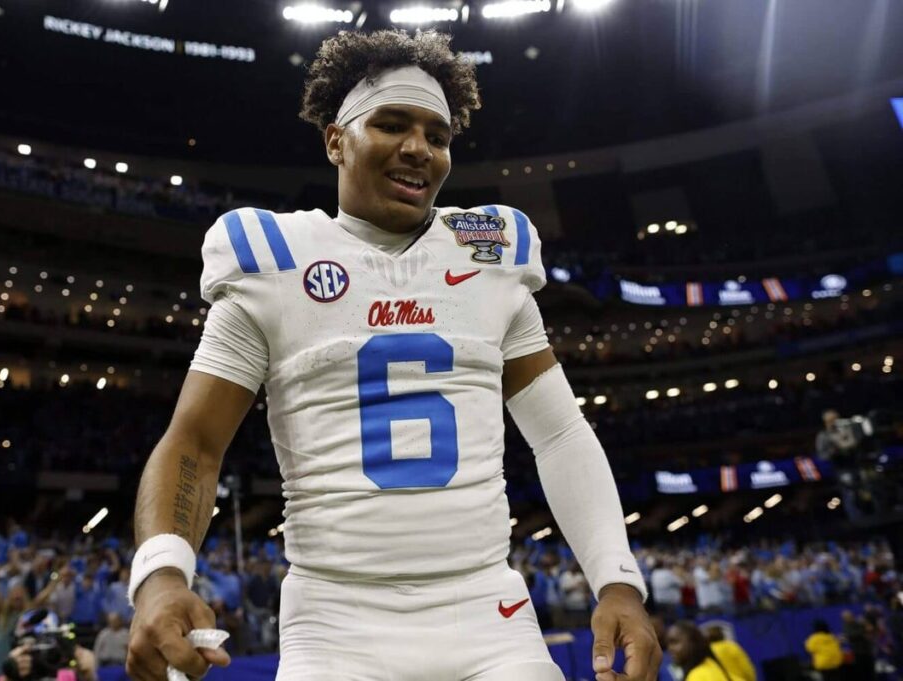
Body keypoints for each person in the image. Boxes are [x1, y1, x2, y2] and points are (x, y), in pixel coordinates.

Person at [126, 29, 659, 681]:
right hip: (335, 621)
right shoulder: (273, 258)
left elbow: (560, 434)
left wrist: (618, 580)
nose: (418, 148)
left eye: (438, 135)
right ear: (335, 140)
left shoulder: (489, 252)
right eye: (391, 124)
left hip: (488, 612)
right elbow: (196, 441)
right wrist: (160, 575)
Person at [666, 621, 743, 681]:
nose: (670, 648)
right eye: (668, 643)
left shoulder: (697, 677)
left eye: (674, 642)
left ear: (692, 642)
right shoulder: (710, 664)